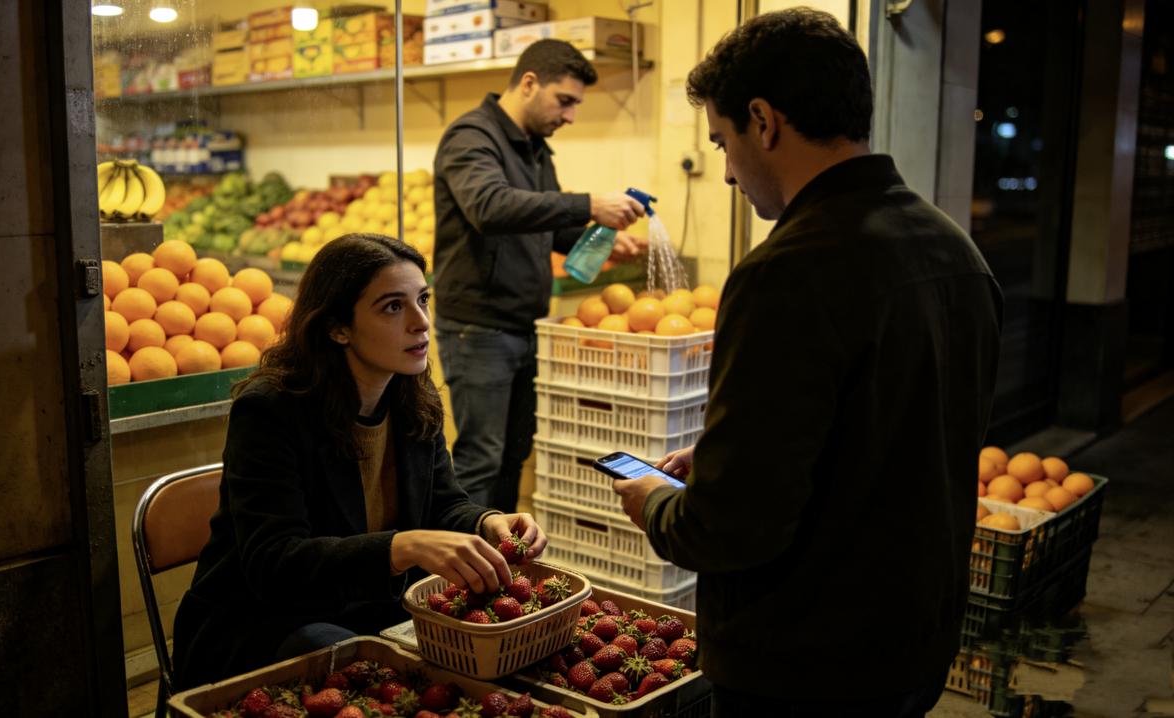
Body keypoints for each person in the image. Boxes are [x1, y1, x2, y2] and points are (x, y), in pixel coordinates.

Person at [612, 9, 1003, 718]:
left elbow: (733, 526)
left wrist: (660, 507)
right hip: (915, 641)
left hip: (803, 664)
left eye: (723, 142)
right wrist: (727, 452)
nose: (727, 171)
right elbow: (895, 432)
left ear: (764, 121)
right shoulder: (956, 252)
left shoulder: (787, 273)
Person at [171, 234, 548, 690]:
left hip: (371, 617)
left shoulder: (412, 397)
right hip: (260, 626)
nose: (421, 322)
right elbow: (275, 565)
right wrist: (401, 547)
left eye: (423, 299)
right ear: (337, 327)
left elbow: (443, 505)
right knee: (376, 677)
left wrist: (487, 522)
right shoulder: (271, 410)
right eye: (393, 306)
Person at [432, 39, 646, 512]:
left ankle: (503, 559)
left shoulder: (534, 149)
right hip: (479, 327)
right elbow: (489, 206)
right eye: (565, 101)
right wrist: (590, 203)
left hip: (526, 325)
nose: (570, 116)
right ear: (529, 83)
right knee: (480, 459)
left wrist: (605, 237)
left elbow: (546, 224)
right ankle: (458, 568)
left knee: (512, 455)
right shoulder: (471, 137)